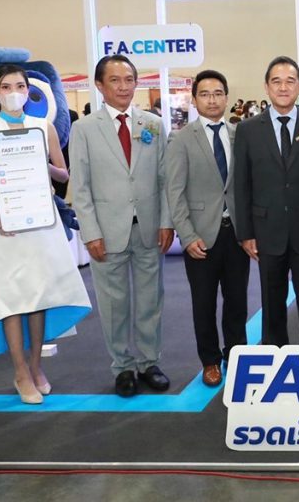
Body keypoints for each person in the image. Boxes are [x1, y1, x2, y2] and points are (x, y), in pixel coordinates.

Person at [0, 64, 91, 404]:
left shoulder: (42, 127)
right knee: (11, 296)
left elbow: (62, 173)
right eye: (6, 87)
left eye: (20, 86)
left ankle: (36, 367)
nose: (14, 93)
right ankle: (20, 372)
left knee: (38, 293)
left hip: (39, 218)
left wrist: (38, 161)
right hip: (3, 222)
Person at [69, 54, 175, 398]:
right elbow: (80, 186)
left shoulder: (153, 124)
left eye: (129, 79)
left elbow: (164, 178)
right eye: (114, 80)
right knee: (114, 304)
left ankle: (148, 362)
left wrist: (166, 221)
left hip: (148, 228)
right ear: (100, 86)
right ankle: (123, 367)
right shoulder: (84, 129)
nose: (123, 87)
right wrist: (90, 232)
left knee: (150, 300)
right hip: (106, 231)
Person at [233, 56, 299, 355]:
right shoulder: (248, 129)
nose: (283, 87)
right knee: (271, 298)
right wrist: (246, 233)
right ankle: (275, 356)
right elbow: (242, 184)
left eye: (290, 81)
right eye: (276, 81)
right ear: (266, 87)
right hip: (267, 229)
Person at [165, 70, 249, 387]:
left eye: (217, 93)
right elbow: (175, 192)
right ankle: (210, 361)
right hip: (200, 236)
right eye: (205, 94)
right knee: (204, 303)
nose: (212, 100)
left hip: (237, 234)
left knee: (237, 301)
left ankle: (237, 356)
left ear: (226, 97)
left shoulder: (240, 135)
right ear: (194, 99)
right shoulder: (181, 139)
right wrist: (187, 236)